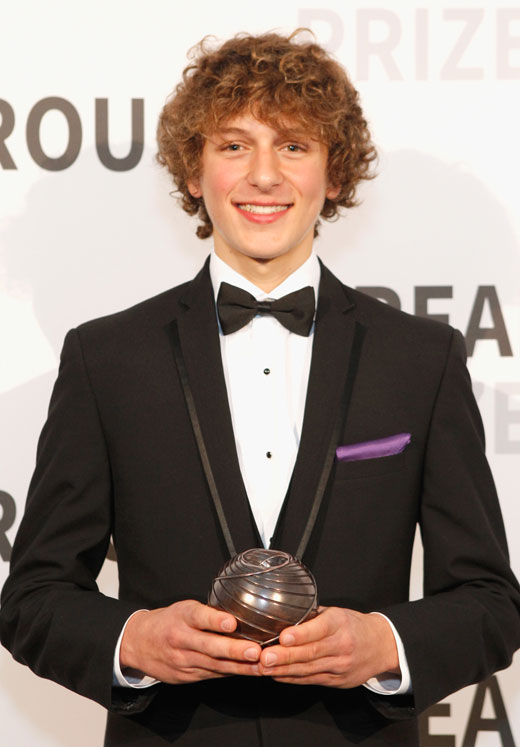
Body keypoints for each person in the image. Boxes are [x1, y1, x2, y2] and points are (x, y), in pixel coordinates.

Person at [1, 30, 519, 747]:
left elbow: (491, 603)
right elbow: (32, 597)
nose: (265, 176)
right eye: (235, 145)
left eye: (295, 146)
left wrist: (384, 642)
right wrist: (134, 638)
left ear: (334, 175)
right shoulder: (106, 357)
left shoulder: (421, 358)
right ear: (193, 171)